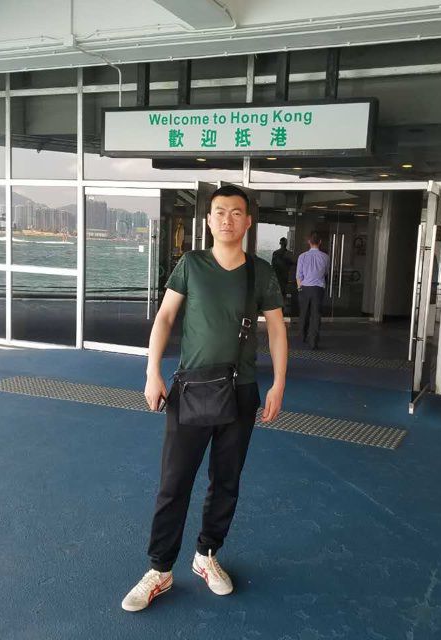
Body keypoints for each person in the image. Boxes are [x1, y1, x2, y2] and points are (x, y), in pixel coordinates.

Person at [121, 185, 288, 612]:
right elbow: (165, 317)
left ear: (248, 222)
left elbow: (276, 329)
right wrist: (152, 372)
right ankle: (160, 569)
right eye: (220, 212)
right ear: (209, 220)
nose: (227, 219)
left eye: (236, 212)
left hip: (241, 391)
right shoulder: (191, 264)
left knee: (226, 480)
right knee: (174, 482)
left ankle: (207, 554)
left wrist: (279, 383)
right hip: (191, 389)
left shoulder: (261, 272)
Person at [296, 231, 330, 350]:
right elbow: (325, 272)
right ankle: (313, 341)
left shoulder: (302, 256)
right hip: (318, 289)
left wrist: (299, 288)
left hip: (305, 288)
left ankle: (303, 336)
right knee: (316, 315)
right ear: (320, 242)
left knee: (304, 313)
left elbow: (299, 275)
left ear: (308, 242)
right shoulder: (326, 257)